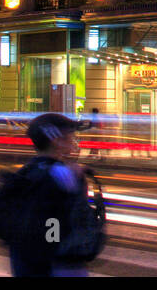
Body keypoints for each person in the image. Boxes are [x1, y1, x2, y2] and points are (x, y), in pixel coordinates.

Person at [8, 113, 98, 277]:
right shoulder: (61, 174)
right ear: (57, 140)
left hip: (28, 264)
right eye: (70, 135)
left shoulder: (27, 171)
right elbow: (54, 222)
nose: (74, 141)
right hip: (58, 267)